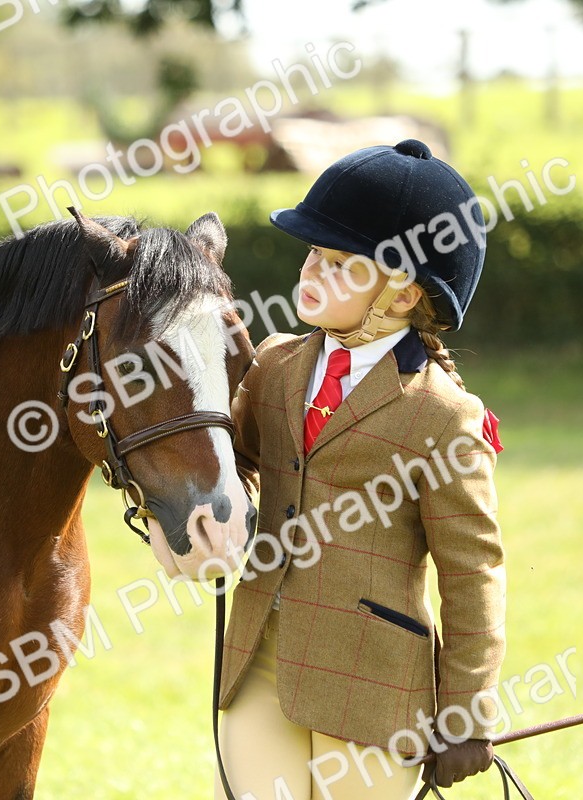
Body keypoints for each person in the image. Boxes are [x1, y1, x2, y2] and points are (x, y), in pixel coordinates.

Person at [214, 139, 506, 800]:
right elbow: (234, 464)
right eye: (313, 255)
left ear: (402, 296)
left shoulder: (442, 415)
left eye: (341, 264)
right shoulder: (273, 364)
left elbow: (472, 571)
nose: (313, 272)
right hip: (260, 655)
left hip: (372, 682)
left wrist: (467, 712)